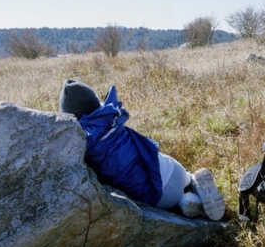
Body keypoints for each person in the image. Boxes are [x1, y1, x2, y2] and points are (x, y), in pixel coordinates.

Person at [59, 79, 226, 221]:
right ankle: (193, 183)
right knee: (159, 163)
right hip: (173, 169)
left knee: (159, 196)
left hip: (159, 196)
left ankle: (184, 201)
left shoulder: (84, 142)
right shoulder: (110, 116)